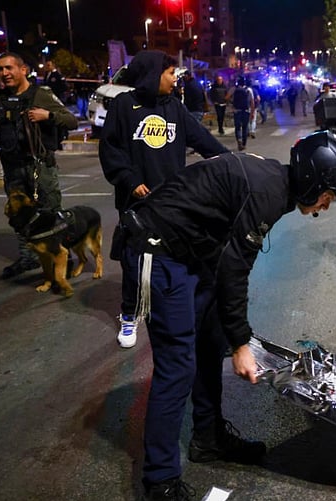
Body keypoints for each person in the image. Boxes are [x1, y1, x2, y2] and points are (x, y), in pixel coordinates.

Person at [120, 131, 336, 501]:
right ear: (313, 181)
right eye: (328, 197)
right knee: (177, 368)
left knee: (210, 341)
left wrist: (231, 335)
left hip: (191, 252)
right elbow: (234, 271)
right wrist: (241, 344)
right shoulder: (267, 194)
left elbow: (227, 265)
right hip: (158, 251)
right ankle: (160, 484)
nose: (324, 207)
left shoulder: (275, 185)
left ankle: (208, 439)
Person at [99, 50, 228, 349]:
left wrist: (233, 162)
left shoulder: (174, 107)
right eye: (170, 72)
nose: (175, 78)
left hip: (173, 203)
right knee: (136, 265)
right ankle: (129, 315)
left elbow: (204, 141)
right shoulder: (123, 105)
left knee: (175, 259)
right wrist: (131, 182)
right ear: (152, 73)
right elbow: (110, 150)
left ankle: (173, 311)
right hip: (137, 204)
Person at [0, 52, 79, 279]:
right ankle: (29, 257)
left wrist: (48, 115)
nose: (4, 74)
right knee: (19, 216)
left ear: (23, 69)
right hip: (13, 166)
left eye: (9, 68)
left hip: (40, 166)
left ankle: (61, 258)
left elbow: (71, 120)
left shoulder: (41, 94)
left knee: (50, 213)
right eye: (1, 69)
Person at [226, 76, 254, 152]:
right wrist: (252, 112)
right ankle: (244, 144)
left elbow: (227, 97)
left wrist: (232, 103)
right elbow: (252, 102)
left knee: (238, 127)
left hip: (236, 110)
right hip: (246, 111)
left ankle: (239, 140)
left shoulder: (234, 89)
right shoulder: (249, 90)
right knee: (245, 127)